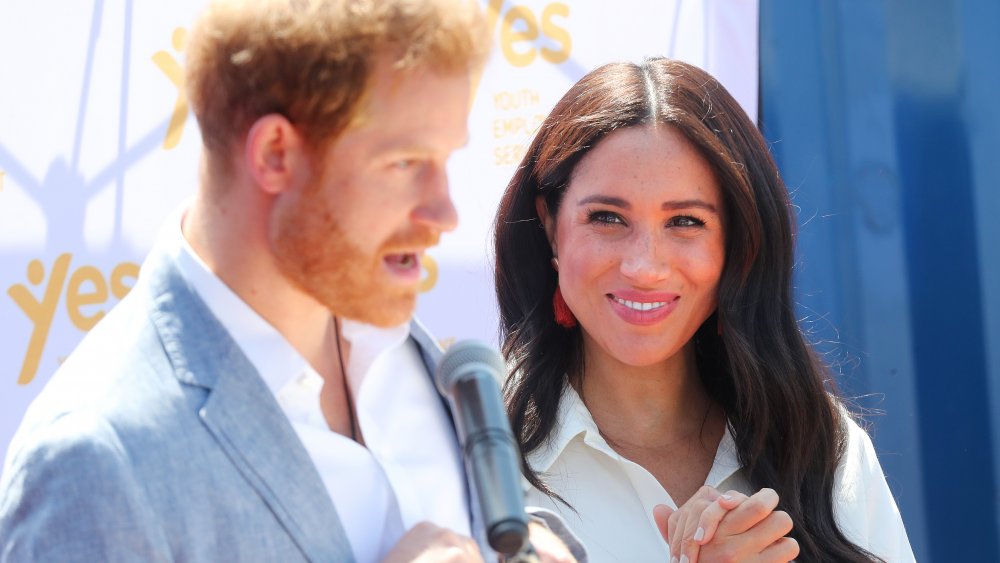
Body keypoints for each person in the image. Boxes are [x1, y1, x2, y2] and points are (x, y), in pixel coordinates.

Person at [0, 1, 581, 561]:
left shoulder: (395, 340)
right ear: (276, 154)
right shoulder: (94, 465)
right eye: (405, 164)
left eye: (445, 161)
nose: (444, 214)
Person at [493, 58, 914, 562]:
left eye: (686, 222)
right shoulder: (474, 451)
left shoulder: (824, 447)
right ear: (549, 227)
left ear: (735, 245)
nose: (644, 266)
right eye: (607, 218)